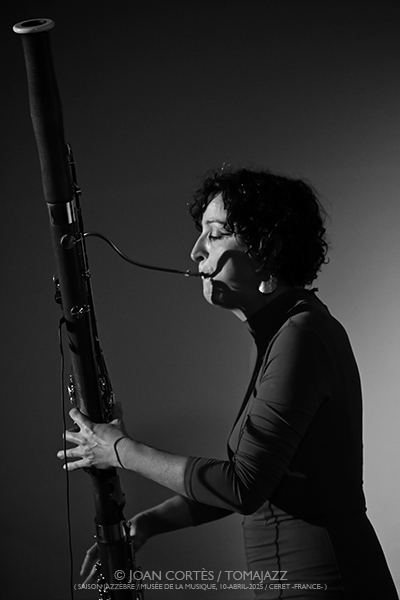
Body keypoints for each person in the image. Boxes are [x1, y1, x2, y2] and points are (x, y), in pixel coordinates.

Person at [58, 168, 398, 599]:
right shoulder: (284, 334)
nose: (196, 250)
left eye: (215, 234)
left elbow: (243, 486)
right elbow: (264, 480)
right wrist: (147, 524)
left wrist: (120, 450)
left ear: (267, 250)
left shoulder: (301, 335)